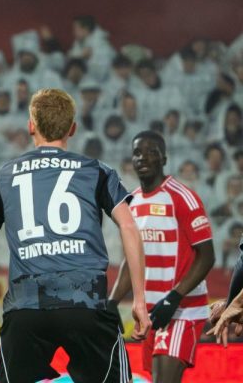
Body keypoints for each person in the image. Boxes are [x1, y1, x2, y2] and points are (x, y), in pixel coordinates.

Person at [0, 88, 150, 382]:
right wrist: (139, 299)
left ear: (31, 126)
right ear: (72, 128)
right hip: (85, 303)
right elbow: (129, 227)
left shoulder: (3, 177)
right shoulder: (97, 171)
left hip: (25, 308)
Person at [109, 130, 215, 382]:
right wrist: (112, 302)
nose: (143, 158)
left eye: (151, 152)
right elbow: (132, 261)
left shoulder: (182, 197)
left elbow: (207, 256)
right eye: (137, 153)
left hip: (183, 309)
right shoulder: (132, 202)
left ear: (164, 159)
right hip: (151, 313)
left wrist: (174, 298)